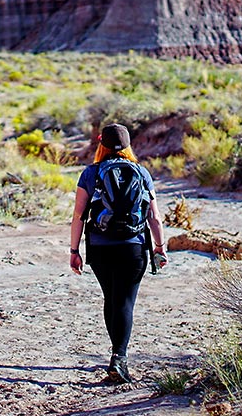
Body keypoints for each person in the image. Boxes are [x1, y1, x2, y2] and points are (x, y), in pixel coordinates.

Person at [68, 123, 167, 383]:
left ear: (101, 144)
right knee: (124, 301)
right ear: (128, 145)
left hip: (100, 248)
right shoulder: (142, 173)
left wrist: (74, 250)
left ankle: (116, 355)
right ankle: (119, 358)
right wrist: (159, 248)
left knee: (111, 299)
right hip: (134, 247)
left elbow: (79, 215)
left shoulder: (91, 173)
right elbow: (154, 218)